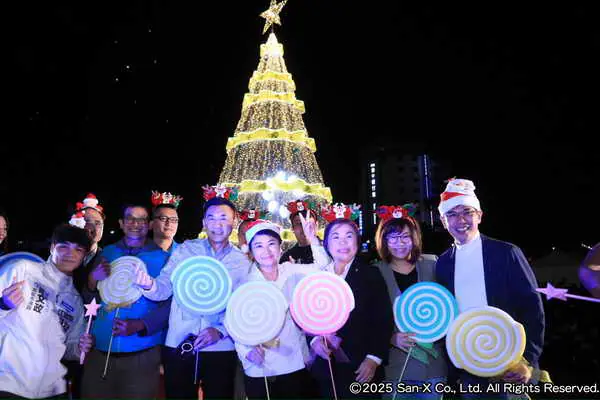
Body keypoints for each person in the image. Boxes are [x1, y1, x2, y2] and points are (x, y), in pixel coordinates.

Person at [136, 185, 252, 399]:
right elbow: (164, 287)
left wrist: (220, 330)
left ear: (234, 222)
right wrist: (148, 285)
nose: (217, 225)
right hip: (179, 343)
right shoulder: (187, 250)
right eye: (211, 218)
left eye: (224, 218)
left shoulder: (241, 262)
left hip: (220, 347)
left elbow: (241, 307)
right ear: (204, 222)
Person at [435, 178, 545, 399]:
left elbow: (533, 309)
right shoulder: (443, 263)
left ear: (479, 215)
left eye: (467, 212)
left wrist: (528, 362)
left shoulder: (506, 253)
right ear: (443, 221)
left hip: (510, 364)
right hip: (468, 368)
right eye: (452, 214)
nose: (461, 220)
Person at [80, 204, 170, 399]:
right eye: (130, 218)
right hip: (100, 348)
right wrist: (92, 280)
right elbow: (89, 299)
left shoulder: (164, 258)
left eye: (142, 219)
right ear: (121, 223)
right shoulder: (107, 253)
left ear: (150, 224)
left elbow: (170, 305)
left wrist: (141, 324)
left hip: (142, 352)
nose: (135, 224)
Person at [236, 216, 330, 399]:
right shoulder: (245, 283)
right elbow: (233, 322)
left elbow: (323, 267)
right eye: (259, 246)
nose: (266, 251)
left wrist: (313, 239)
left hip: (293, 360)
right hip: (260, 364)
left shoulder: (291, 271)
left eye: (271, 244)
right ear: (251, 252)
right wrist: (246, 352)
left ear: (280, 247)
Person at [0, 224, 94, 399]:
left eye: (78, 250)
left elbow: (69, 347)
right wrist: (3, 305)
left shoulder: (75, 300)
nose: (70, 254)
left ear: (84, 256)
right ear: (52, 247)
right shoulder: (22, 269)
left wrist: (80, 347)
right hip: (10, 383)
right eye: (64, 246)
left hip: (52, 390)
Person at [310, 203, 394, 399]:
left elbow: (383, 320)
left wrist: (373, 358)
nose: (343, 242)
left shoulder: (371, 274)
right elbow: (306, 316)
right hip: (328, 368)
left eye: (349, 236)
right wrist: (314, 340)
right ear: (326, 244)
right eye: (336, 237)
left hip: (361, 368)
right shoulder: (319, 277)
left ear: (357, 241)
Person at [373, 205, 447, 399]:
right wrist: (391, 338)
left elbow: (449, 307)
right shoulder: (376, 272)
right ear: (384, 240)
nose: (400, 243)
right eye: (393, 238)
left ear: (415, 238)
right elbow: (370, 320)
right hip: (396, 369)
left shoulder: (433, 264)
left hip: (433, 369)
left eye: (405, 236)